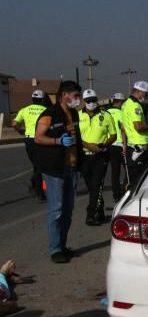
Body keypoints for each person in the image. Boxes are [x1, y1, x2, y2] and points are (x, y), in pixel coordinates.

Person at [34, 80, 83, 263]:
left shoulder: (73, 114)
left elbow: (78, 137)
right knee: (56, 210)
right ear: (64, 95)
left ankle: (62, 245)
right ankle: (55, 249)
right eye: (75, 96)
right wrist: (57, 142)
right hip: (55, 168)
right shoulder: (50, 114)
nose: (78, 100)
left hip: (71, 167)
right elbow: (39, 137)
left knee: (68, 210)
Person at [79, 89, 116, 225]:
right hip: (84, 156)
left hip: (100, 156)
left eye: (93, 100)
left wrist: (104, 145)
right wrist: (88, 145)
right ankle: (99, 210)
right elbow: (75, 136)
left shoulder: (105, 115)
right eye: (88, 101)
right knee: (91, 187)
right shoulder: (77, 116)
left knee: (96, 185)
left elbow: (113, 135)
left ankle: (90, 215)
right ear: (84, 101)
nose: (91, 103)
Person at [121, 81, 148, 187]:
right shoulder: (135, 105)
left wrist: (124, 145)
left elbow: (123, 128)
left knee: (131, 180)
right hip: (138, 149)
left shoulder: (126, 104)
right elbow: (138, 127)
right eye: (145, 94)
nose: (146, 97)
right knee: (138, 182)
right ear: (138, 91)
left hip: (132, 147)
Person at [12, 89, 48, 200]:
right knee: (41, 166)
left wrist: (21, 131)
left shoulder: (24, 110)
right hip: (41, 139)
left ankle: (36, 187)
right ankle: (39, 192)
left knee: (37, 165)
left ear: (32, 99)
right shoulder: (46, 110)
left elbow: (14, 124)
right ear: (42, 100)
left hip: (29, 141)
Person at [107, 93, 127, 203]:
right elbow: (123, 129)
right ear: (120, 102)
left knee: (115, 173)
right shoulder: (121, 113)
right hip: (121, 145)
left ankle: (116, 195)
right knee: (128, 171)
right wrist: (125, 145)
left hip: (110, 145)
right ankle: (124, 192)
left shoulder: (107, 112)